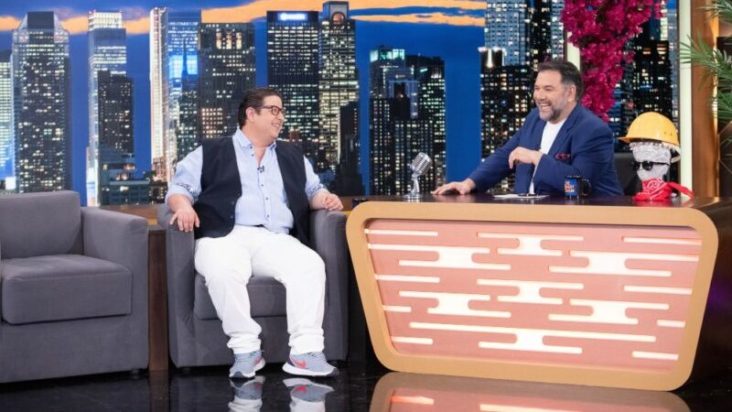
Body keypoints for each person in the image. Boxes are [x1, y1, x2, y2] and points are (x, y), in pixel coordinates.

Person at [166, 87, 343, 379]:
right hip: (224, 234)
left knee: (310, 264)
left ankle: (305, 353)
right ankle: (246, 349)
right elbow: (179, 188)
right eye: (274, 110)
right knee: (222, 269)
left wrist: (325, 198)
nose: (280, 117)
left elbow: (312, 190)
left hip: (275, 237)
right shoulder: (211, 151)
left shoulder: (292, 154)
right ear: (251, 113)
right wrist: (183, 206)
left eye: (282, 111)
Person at [433, 59, 622, 197]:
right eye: (537, 88)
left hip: (586, 223)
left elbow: (581, 186)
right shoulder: (534, 119)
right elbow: (505, 156)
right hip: (530, 218)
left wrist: (536, 158)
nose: (539, 96)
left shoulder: (592, 130)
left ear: (570, 93)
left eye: (548, 89)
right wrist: (468, 183)